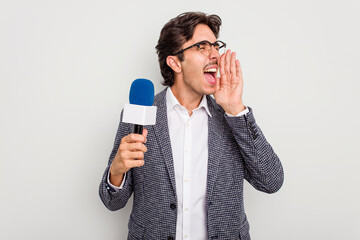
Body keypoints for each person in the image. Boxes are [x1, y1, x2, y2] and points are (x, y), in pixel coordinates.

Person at [99, 12, 284, 240]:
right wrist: (116, 171)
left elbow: (271, 181)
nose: (215, 54)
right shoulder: (140, 115)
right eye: (203, 47)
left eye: (216, 46)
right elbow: (112, 201)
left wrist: (235, 108)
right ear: (175, 62)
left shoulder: (232, 117)